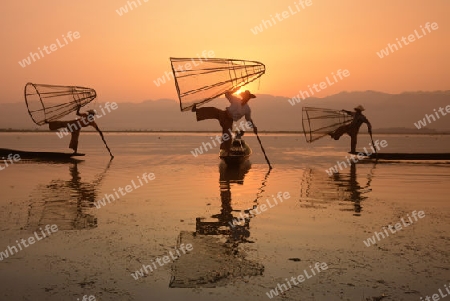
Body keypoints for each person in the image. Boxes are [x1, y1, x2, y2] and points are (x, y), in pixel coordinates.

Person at [192, 88, 257, 155]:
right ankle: (197, 110)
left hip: (229, 121)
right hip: (223, 114)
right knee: (213, 110)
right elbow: (226, 94)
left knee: (227, 135)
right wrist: (233, 91)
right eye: (245, 96)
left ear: (249, 98)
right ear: (243, 96)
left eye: (247, 97)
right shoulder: (236, 100)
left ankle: (227, 151)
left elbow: (248, 119)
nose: (246, 98)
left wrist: (254, 127)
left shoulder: (247, 109)